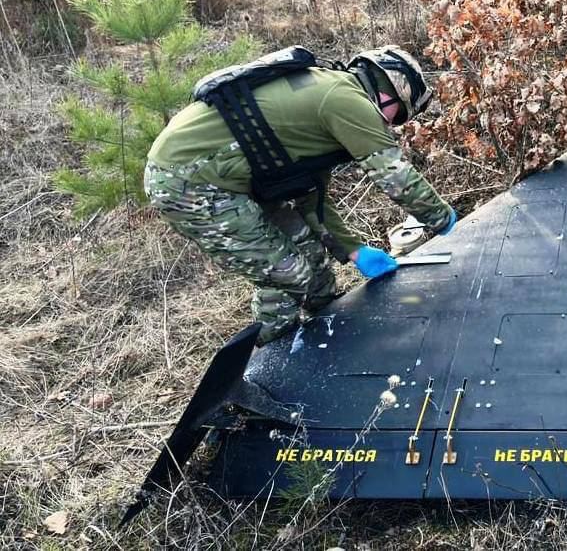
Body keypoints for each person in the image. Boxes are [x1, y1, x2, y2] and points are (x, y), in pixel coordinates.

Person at [144, 45, 457, 343]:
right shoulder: (346, 100)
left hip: (227, 174)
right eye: (399, 115)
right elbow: (395, 176)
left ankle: (326, 329)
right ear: (389, 91)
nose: (392, 124)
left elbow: (313, 196)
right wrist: (444, 221)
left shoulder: (329, 95)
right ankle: (269, 359)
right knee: (287, 273)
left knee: (311, 255)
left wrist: (353, 250)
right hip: (188, 179)